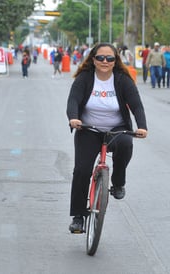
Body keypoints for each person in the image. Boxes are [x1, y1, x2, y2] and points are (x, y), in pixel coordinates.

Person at [66, 43, 148, 233]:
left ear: (115, 61)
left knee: (126, 144)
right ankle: (78, 217)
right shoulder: (84, 78)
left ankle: (118, 182)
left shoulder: (123, 80)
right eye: (100, 58)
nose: (105, 61)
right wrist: (73, 118)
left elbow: (136, 105)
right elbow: (73, 100)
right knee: (81, 171)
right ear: (93, 60)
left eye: (110, 58)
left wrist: (142, 126)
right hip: (88, 130)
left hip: (116, 129)